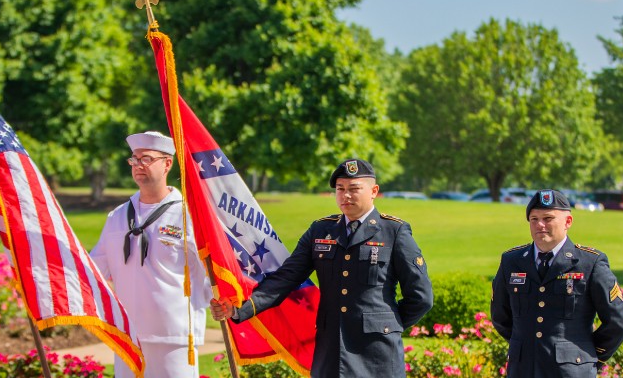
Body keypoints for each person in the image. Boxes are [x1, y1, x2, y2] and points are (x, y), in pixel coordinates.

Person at [210, 158, 433, 377]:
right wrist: (240, 309)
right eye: (340, 188)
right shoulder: (321, 231)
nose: (345, 195)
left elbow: (421, 297)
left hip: (377, 353)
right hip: (331, 351)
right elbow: (286, 278)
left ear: (374, 191)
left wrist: (385, 324)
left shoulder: (394, 231)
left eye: (354, 189)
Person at [90, 131, 211, 378]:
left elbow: (213, 272)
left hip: (174, 336)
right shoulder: (117, 217)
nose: (138, 166)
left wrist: (219, 301)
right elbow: (94, 271)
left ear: (167, 163)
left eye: (146, 159)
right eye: (134, 159)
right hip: (129, 334)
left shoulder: (189, 215)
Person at [491, 189, 623, 377]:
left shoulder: (589, 263)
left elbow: (617, 322)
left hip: (571, 372)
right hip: (523, 370)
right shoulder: (512, 261)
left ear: (568, 222)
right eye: (534, 219)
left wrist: (585, 355)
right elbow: (501, 316)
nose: (540, 225)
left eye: (548, 218)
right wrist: (526, 346)